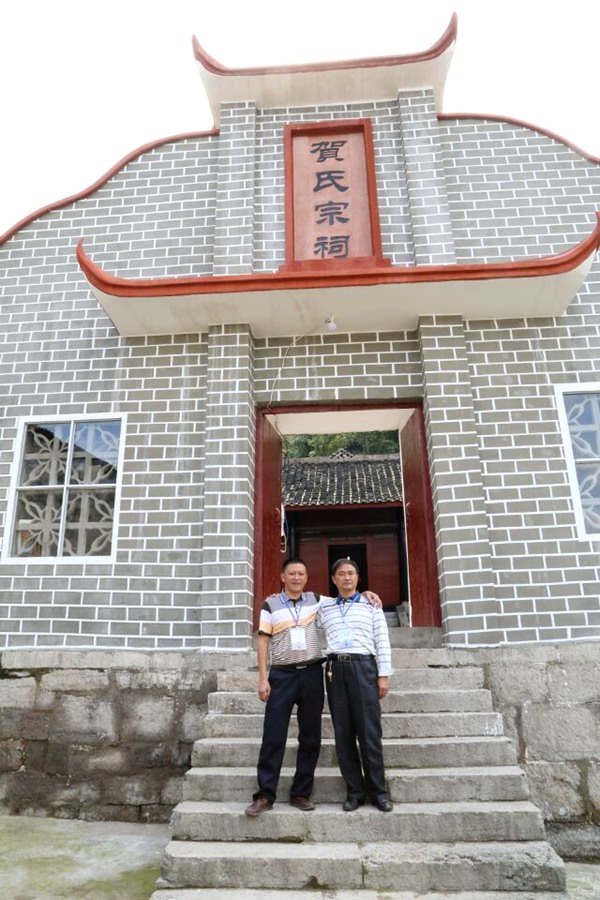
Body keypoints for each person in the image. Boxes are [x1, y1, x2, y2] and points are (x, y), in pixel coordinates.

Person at [245, 557, 381, 817]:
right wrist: (263, 679)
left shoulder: (317, 601)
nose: (297, 578)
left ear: (307, 578)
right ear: (282, 577)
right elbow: (263, 643)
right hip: (282, 675)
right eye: (292, 574)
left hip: (311, 674)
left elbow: (346, 594)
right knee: (273, 735)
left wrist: (364, 593)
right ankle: (265, 795)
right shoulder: (270, 604)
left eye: (302, 574)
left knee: (310, 737)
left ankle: (301, 792)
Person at [318, 557, 393, 813]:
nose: (346, 577)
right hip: (335, 670)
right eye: (341, 574)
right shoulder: (324, 607)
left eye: (351, 573)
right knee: (343, 734)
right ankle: (355, 792)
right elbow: (299, 603)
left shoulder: (371, 605)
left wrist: (383, 675)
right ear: (334, 579)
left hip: (364, 668)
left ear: (358, 578)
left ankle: (379, 792)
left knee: (369, 733)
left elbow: (382, 640)